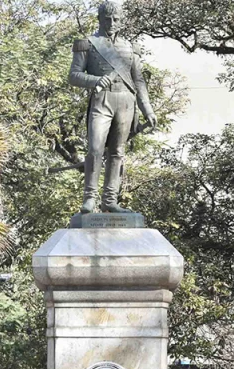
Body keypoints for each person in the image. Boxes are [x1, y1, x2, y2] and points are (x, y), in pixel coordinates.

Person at [68, 1, 157, 214]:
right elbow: (73, 75)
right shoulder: (87, 43)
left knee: (118, 152)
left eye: (116, 19)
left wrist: (148, 109)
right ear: (99, 18)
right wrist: (94, 81)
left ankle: (110, 201)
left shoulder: (130, 47)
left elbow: (139, 81)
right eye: (107, 18)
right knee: (95, 149)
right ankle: (89, 198)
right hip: (102, 100)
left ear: (121, 20)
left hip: (126, 101)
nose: (112, 23)